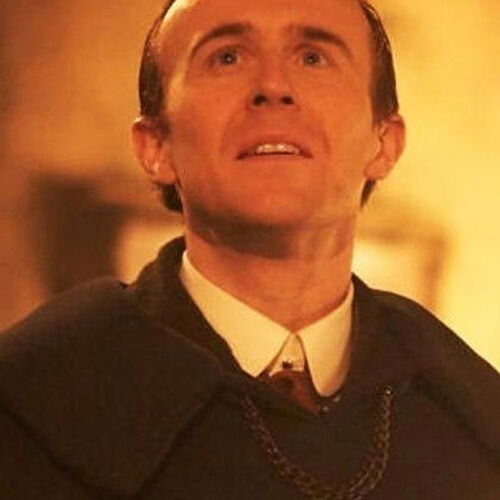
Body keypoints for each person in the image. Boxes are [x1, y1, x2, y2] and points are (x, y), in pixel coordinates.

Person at [0, 0, 499, 498]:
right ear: (156, 147)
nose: (273, 87)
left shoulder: (474, 417)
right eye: (227, 57)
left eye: (313, 58)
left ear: (383, 143)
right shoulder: (31, 399)